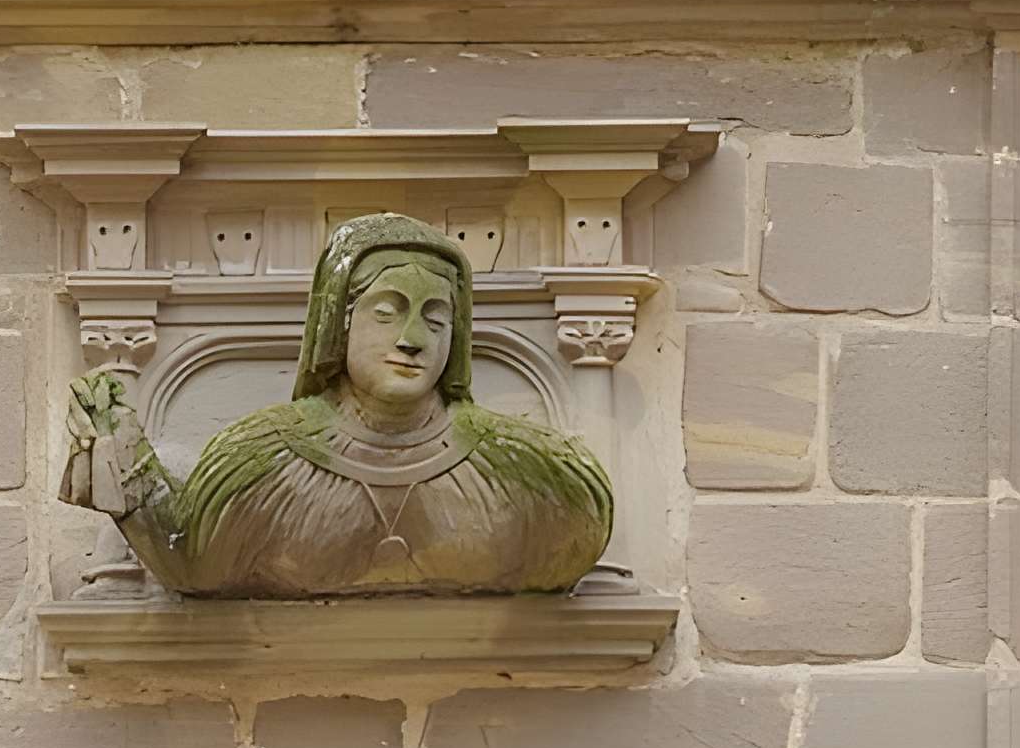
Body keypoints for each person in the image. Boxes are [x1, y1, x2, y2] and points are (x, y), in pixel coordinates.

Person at [60, 211, 614, 596]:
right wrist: (126, 471)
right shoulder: (262, 459)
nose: (412, 338)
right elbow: (195, 562)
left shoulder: (531, 472)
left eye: (435, 319)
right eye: (386, 311)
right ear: (339, 325)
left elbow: (573, 544)